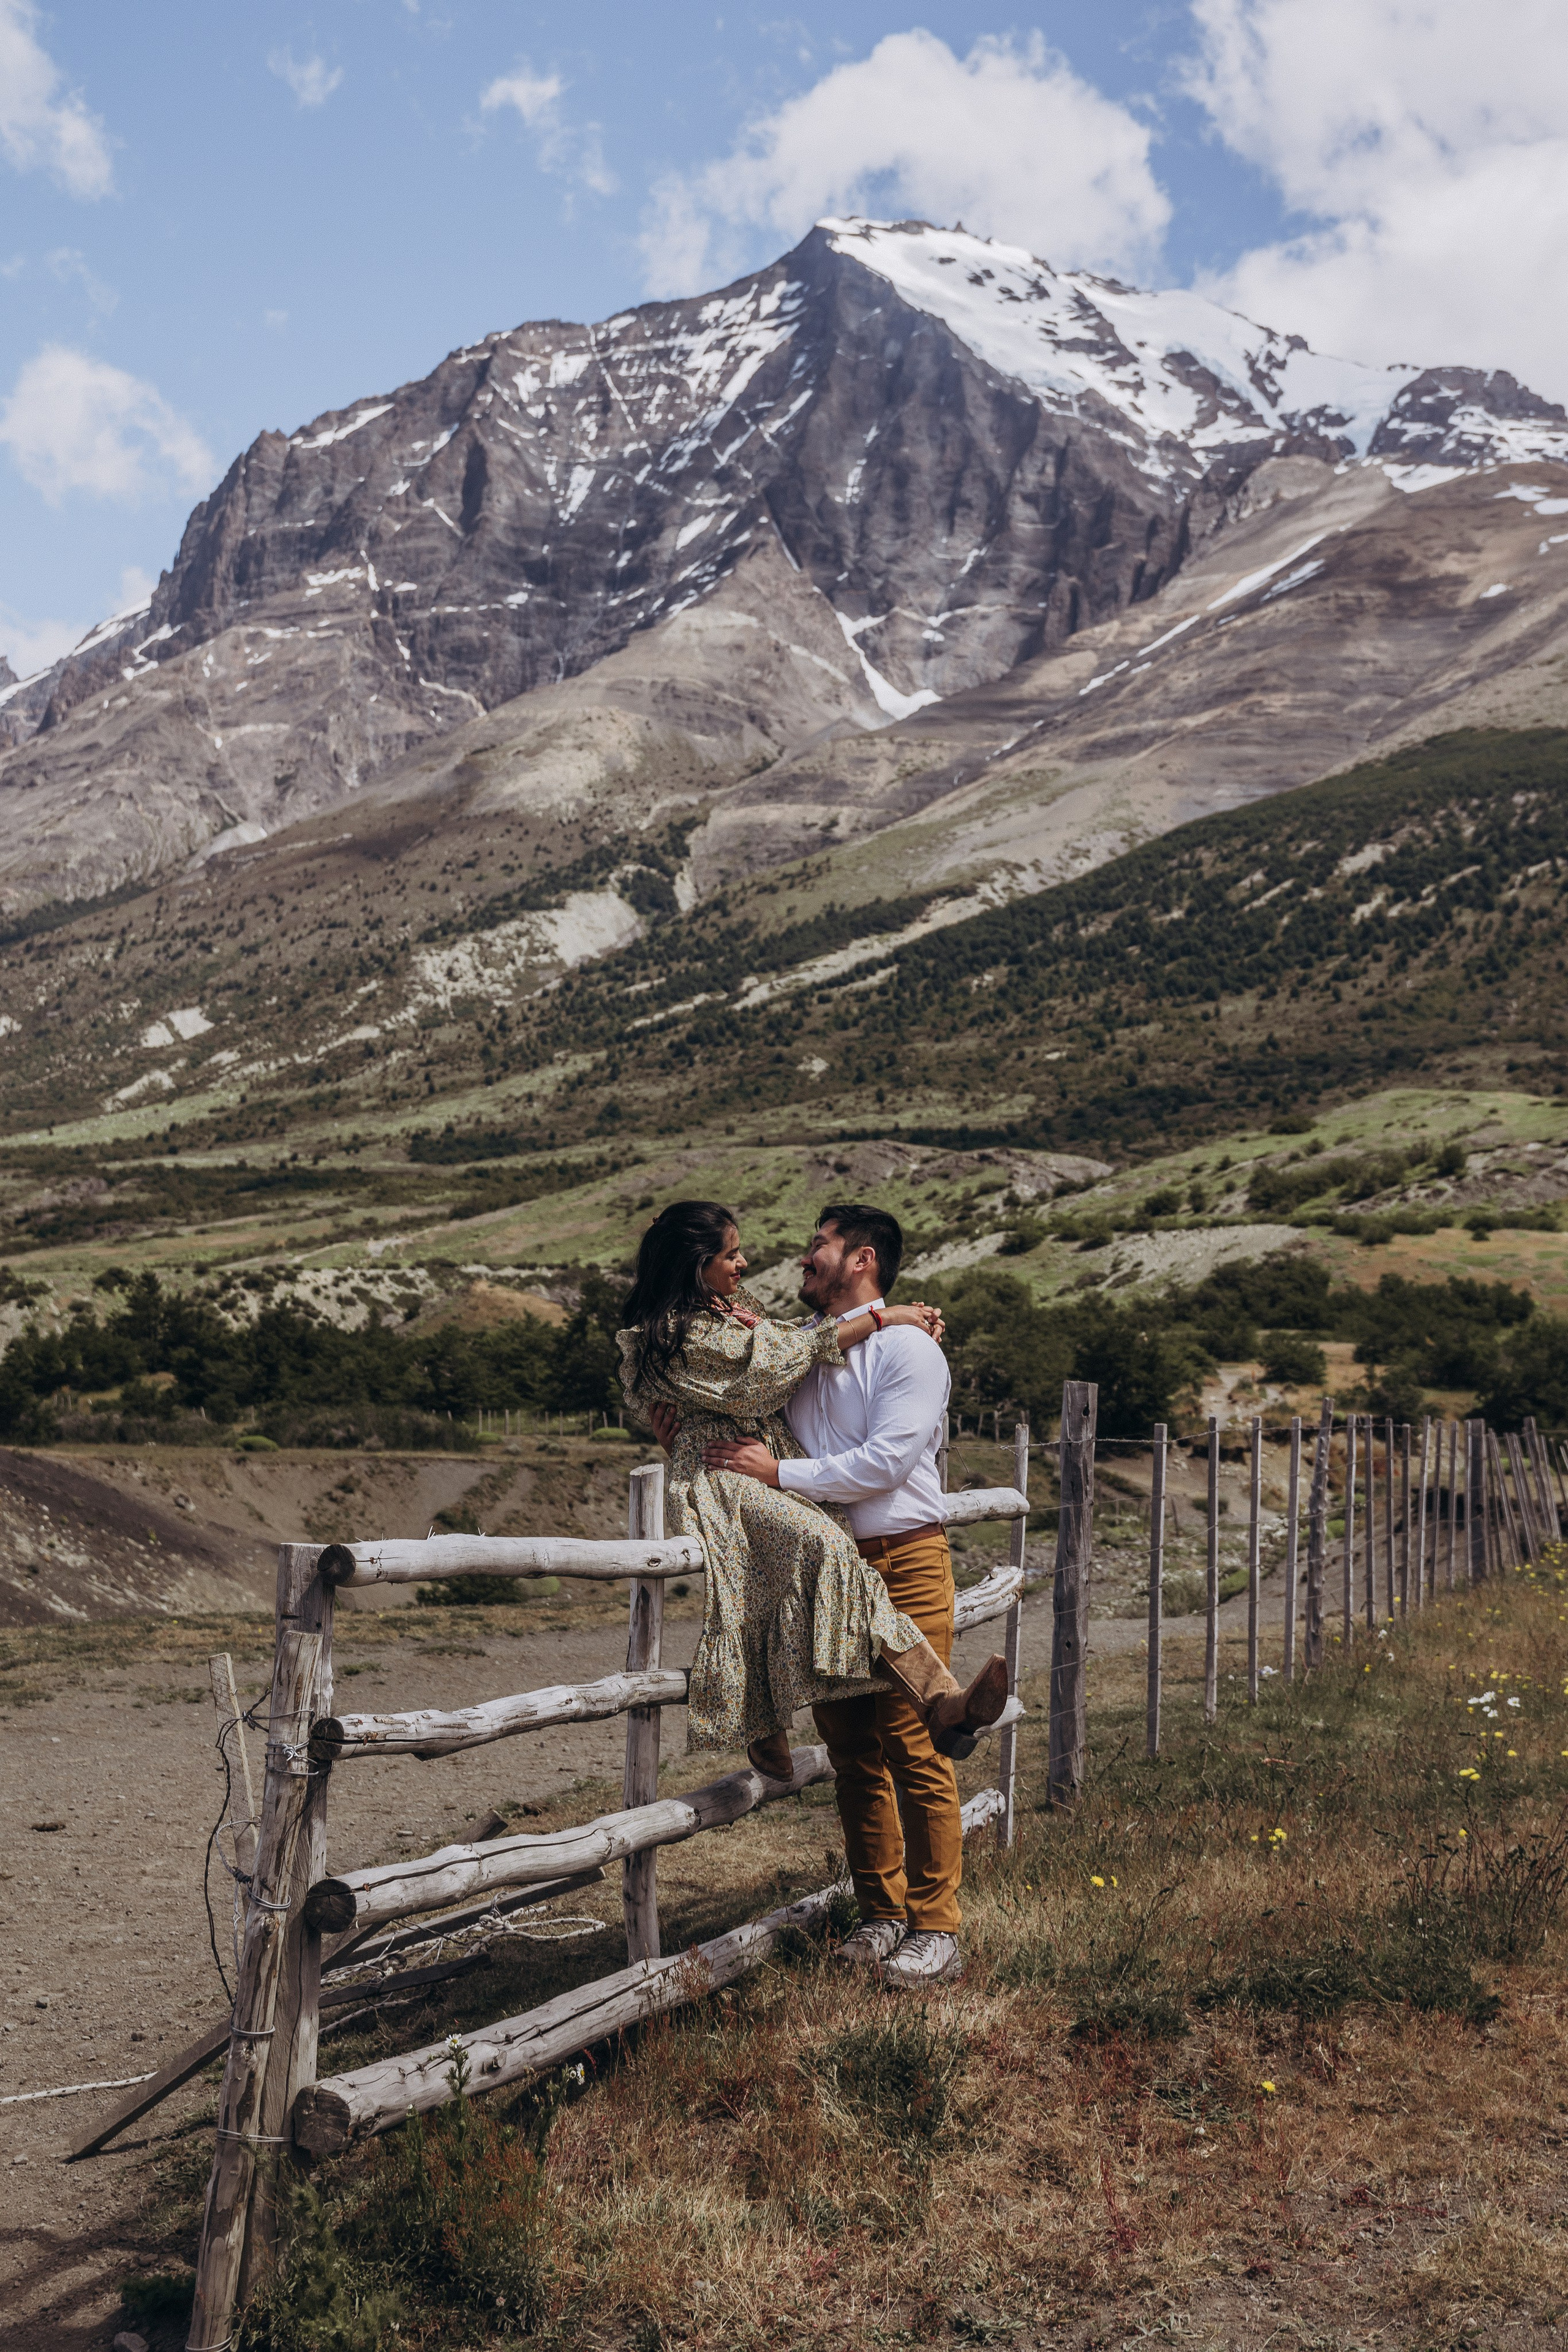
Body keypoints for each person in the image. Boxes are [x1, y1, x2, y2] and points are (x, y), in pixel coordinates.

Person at [617, 1202, 1006, 1795]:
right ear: (696, 1264)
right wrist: (887, 1317)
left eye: (817, 1242)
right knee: (809, 1555)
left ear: (860, 1258)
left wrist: (897, 1324)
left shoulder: (754, 1320)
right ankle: (776, 1716)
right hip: (730, 1468)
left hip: (843, 1513)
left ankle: (929, 1708)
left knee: (800, 1575)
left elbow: (797, 1362)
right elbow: (773, 1362)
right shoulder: (683, 1329)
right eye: (730, 1254)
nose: (747, 1262)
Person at [697, 1204, 979, 1991]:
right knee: (854, 1755)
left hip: (903, 1561)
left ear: (860, 1259)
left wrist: (777, 1474)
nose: (802, 1257)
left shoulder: (907, 1353)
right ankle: (881, 1915)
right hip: (823, 1572)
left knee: (913, 1748)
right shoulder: (803, 1352)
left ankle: (936, 1929)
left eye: (816, 1245)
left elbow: (885, 1464)